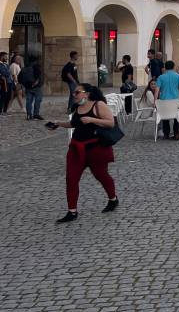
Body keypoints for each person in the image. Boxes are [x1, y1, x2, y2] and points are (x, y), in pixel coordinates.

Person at [49, 84, 118, 222]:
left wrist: (92, 119)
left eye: (77, 92)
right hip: (76, 148)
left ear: (86, 94)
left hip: (96, 148)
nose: (74, 95)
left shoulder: (98, 105)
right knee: (71, 178)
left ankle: (113, 199)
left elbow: (110, 123)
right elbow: (74, 123)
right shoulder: (77, 107)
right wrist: (58, 124)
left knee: (101, 175)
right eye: (74, 93)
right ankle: (72, 211)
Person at [156, 60, 179, 140]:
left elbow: (157, 90)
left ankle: (166, 134)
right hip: (175, 101)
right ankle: (176, 133)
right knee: (176, 116)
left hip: (164, 100)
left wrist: (155, 101)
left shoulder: (161, 77)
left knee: (164, 117)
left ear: (165, 67)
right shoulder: (178, 76)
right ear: (173, 67)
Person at [21, 56, 43, 121]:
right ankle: (36, 114)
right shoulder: (36, 66)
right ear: (35, 61)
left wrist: (24, 85)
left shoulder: (25, 68)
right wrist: (35, 83)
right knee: (37, 100)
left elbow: (20, 78)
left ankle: (28, 115)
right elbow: (38, 76)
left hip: (28, 87)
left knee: (29, 101)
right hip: (36, 87)